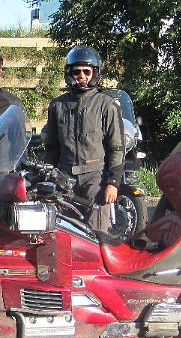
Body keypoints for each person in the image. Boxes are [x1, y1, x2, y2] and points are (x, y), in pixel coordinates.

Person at [43, 46, 124, 227]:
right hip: (64, 177)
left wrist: (113, 182)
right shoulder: (57, 105)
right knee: (65, 232)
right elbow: (52, 147)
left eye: (86, 71)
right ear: (69, 73)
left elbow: (116, 147)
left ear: (94, 73)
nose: (81, 76)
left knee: (97, 233)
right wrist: (49, 179)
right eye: (77, 71)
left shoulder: (107, 105)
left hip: (95, 177)